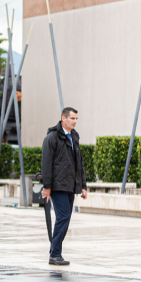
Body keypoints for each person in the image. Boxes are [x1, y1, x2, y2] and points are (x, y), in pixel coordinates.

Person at [40, 107, 89, 267]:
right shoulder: (52, 137)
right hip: (57, 185)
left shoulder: (74, 136)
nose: (75, 121)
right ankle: (54, 254)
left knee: (66, 219)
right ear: (63, 118)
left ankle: (56, 252)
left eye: (76, 119)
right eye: (72, 118)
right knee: (63, 217)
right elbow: (46, 163)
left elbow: (78, 162)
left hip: (70, 185)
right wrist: (47, 186)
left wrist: (83, 185)